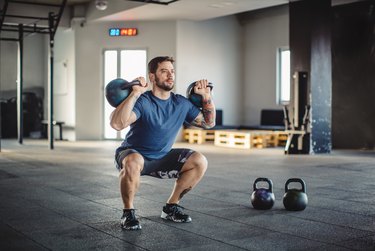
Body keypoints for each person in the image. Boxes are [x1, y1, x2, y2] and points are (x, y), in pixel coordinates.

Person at [110, 56, 216, 230]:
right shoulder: (143, 101)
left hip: (162, 156)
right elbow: (117, 124)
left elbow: (208, 124)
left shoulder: (180, 103)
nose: (170, 75)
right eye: (164, 71)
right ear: (152, 77)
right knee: (134, 160)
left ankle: (171, 207)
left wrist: (206, 96)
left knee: (199, 161)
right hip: (133, 154)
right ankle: (128, 213)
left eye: (172, 71)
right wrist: (136, 93)